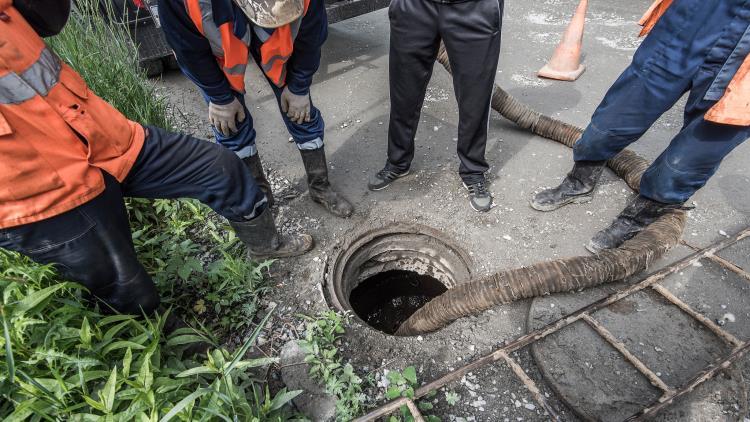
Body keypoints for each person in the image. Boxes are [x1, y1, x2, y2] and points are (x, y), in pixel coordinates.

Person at [0, 0, 314, 317]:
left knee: (221, 168)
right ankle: (164, 338)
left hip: (104, 138)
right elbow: (187, 44)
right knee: (123, 285)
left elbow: (50, 21)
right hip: (40, 193)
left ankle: (265, 246)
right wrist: (220, 96)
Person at [531, 0, 749, 253]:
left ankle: (639, 216)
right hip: (700, 15)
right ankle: (580, 181)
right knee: (622, 109)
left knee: (696, 151)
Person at [158, 0, 353, 218]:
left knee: (301, 112)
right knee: (231, 124)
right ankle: (260, 201)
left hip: (272, 36)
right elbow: (187, 48)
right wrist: (219, 97)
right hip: (216, 44)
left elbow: (312, 30)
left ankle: (320, 187)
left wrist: (299, 86)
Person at [367, 0, 504, 212]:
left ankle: (473, 170)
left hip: (473, 8)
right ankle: (398, 161)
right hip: (414, 6)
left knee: (475, 97)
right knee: (404, 92)